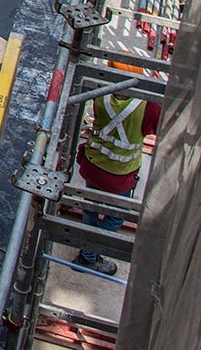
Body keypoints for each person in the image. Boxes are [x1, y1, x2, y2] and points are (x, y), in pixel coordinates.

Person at [75, 83, 161, 275]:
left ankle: (87, 249)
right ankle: (88, 256)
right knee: (116, 216)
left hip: (93, 164)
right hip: (118, 174)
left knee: (91, 208)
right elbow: (159, 126)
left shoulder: (102, 93)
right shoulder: (149, 107)